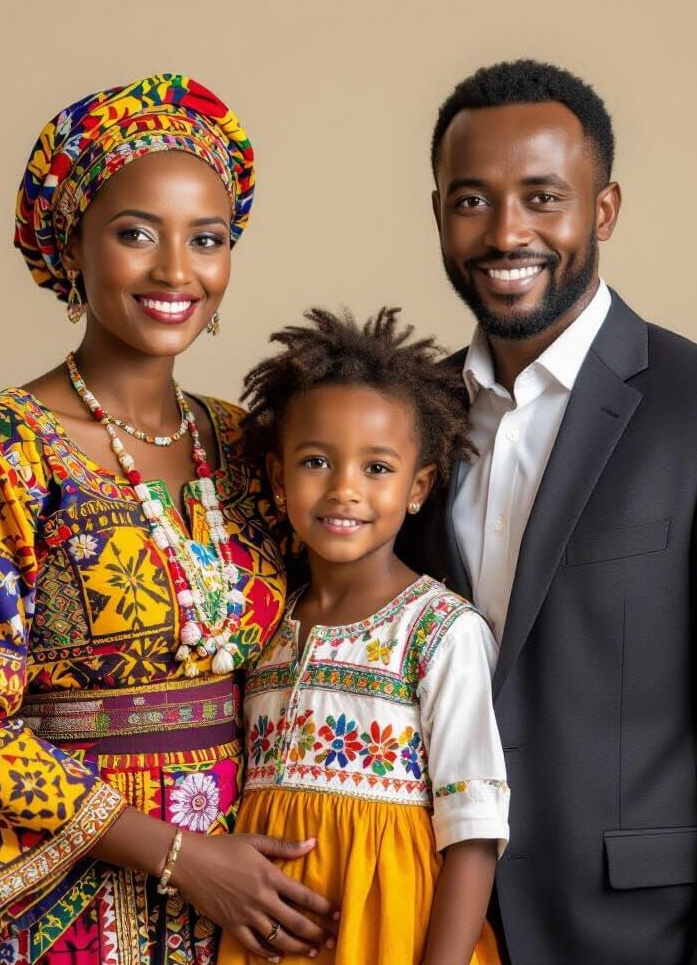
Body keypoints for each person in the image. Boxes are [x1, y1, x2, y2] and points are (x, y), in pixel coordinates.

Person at [398, 59, 697, 964]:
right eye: (471, 200)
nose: (506, 231)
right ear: (438, 211)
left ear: (603, 210)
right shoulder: (406, 422)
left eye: (542, 196)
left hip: (641, 937)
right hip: (426, 923)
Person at [0, 74, 338, 965]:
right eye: (136, 232)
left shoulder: (252, 448)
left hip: (251, 902)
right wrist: (181, 856)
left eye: (207, 239)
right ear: (73, 245)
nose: (177, 270)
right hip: (68, 914)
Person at [217, 308, 510, 964]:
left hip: (393, 940)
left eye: (376, 468)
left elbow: (474, 833)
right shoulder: (260, 630)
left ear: (418, 487)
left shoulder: (439, 632)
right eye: (317, 461)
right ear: (276, 478)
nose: (344, 490)